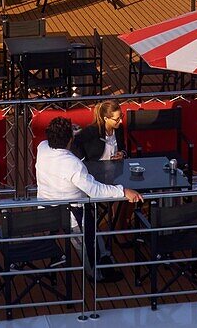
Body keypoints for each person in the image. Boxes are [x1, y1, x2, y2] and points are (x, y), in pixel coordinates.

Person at [36, 116, 142, 279]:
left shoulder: (42, 148)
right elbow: (96, 191)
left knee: (90, 219)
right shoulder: (74, 164)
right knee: (89, 231)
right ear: (70, 139)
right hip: (70, 216)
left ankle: (103, 255)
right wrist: (123, 191)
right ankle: (96, 273)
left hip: (45, 210)